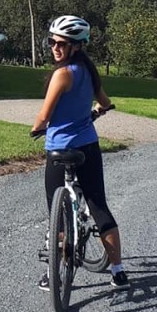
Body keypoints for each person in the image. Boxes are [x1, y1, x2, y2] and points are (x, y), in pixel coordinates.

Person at [31, 15, 130, 291]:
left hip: (59, 150)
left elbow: (44, 116)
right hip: (87, 146)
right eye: (51, 42)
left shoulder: (62, 74)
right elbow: (106, 102)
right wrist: (97, 111)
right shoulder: (88, 70)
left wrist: (35, 129)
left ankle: (54, 275)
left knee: (57, 211)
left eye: (61, 43)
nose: (54, 48)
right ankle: (118, 271)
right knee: (98, 206)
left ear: (76, 46)